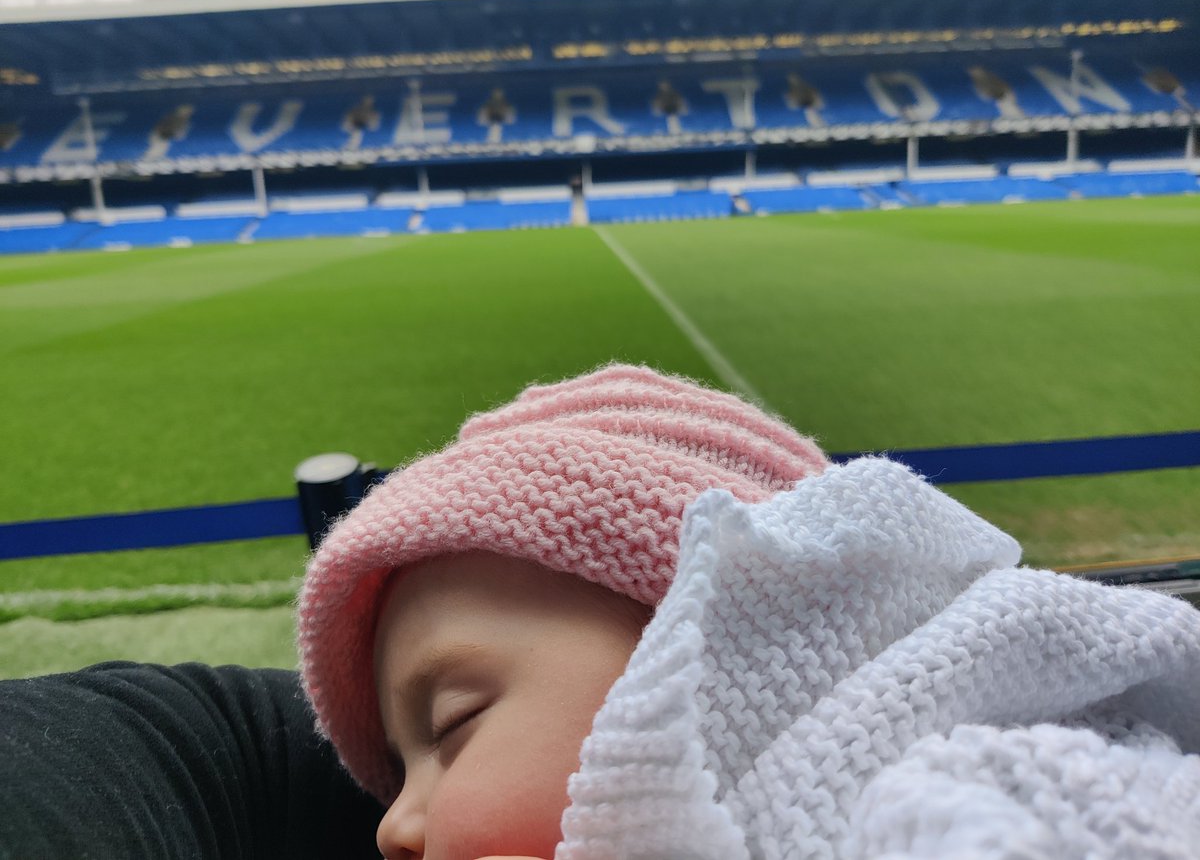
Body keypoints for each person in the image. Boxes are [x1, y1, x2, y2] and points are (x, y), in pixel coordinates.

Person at [298, 364, 1200, 859]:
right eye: (397, 774)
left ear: (711, 652)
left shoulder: (962, 794)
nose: (391, 828)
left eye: (453, 724)